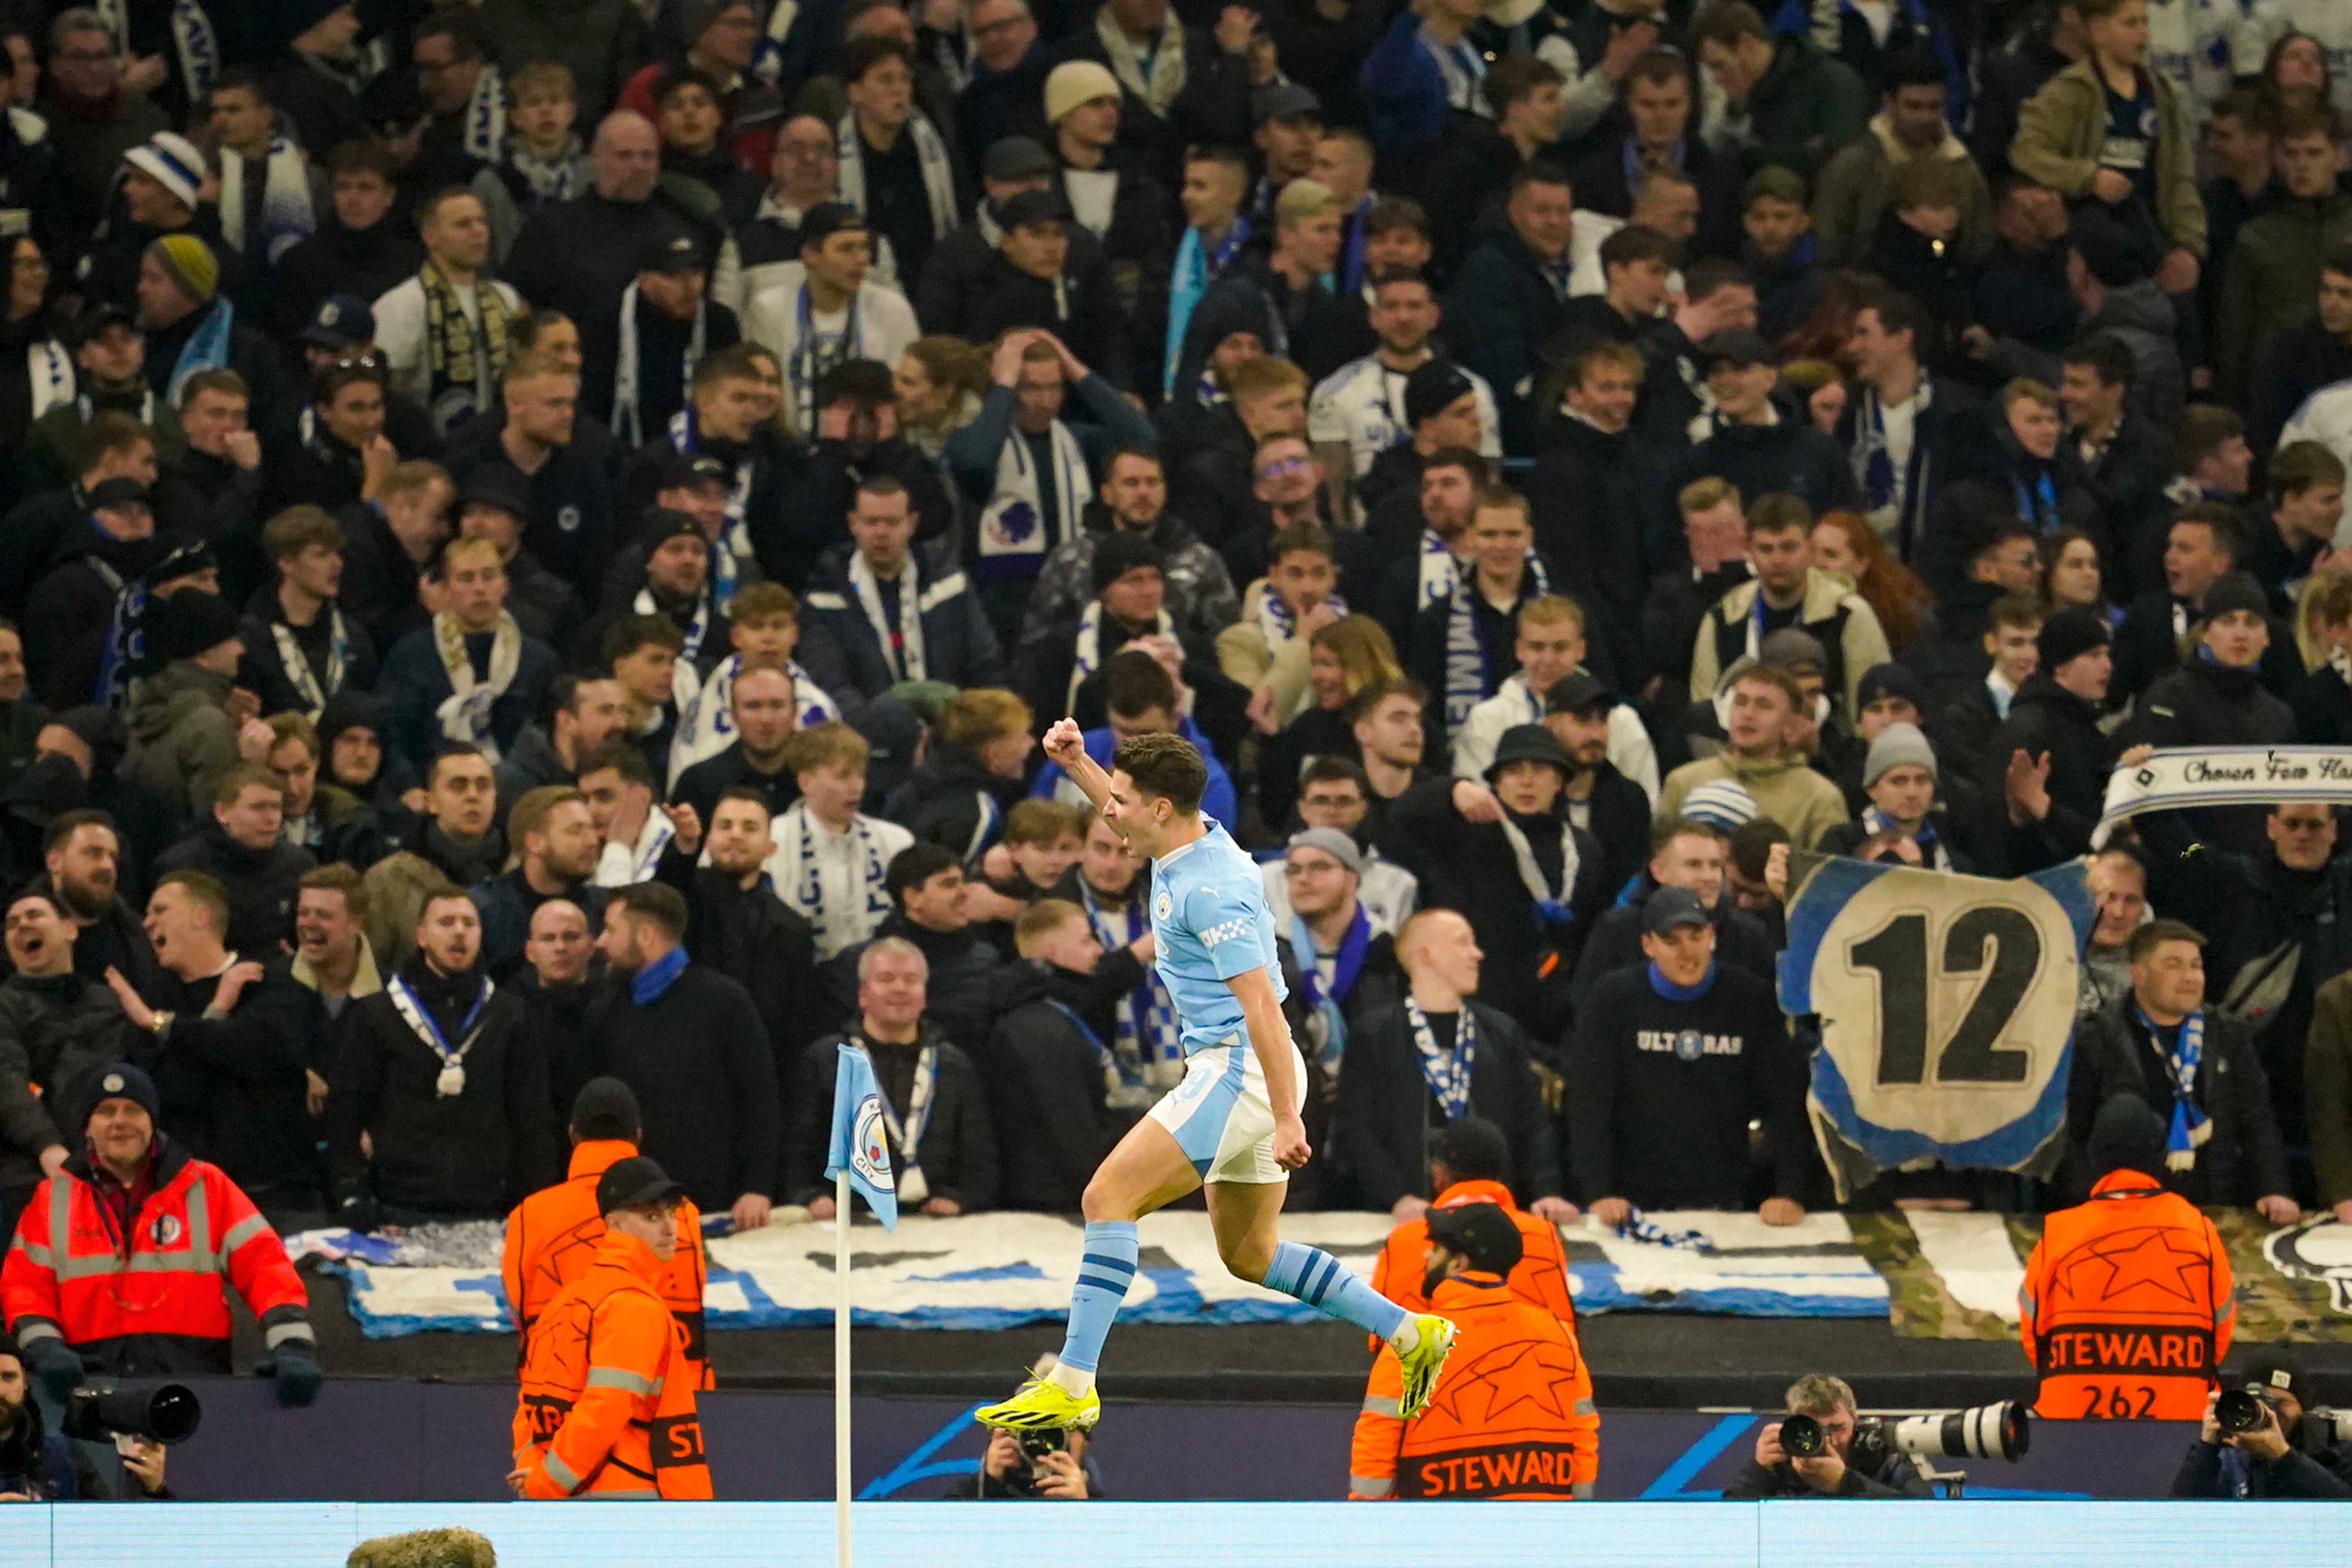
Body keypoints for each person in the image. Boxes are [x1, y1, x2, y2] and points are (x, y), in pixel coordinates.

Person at [974, 728, 1459, 1437]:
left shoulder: (1212, 890)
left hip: (1242, 1069)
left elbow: (1262, 1003)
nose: (1110, 812)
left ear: (1162, 807)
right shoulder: (1188, 836)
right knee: (1250, 1254)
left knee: (1106, 1196)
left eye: (1126, 800)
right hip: (1254, 1069)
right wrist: (1076, 763)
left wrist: (1289, 1117)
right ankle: (1410, 1331)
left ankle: (1073, 1382)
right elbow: (1120, 800)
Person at [0, 1063, 321, 1402]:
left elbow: (266, 1266)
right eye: (106, 1112)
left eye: (133, 1110)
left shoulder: (206, 1185)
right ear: (87, 1128)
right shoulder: (53, 1199)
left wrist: (292, 1345)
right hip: (88, 1388)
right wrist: (46, 1350)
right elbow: (24, 1287)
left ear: (152, 1121)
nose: (119, 1121)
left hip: (196, 1388)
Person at [1568, 886, 1810, 1221]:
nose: (1687, 952)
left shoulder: (1750, 999)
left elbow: (1784, 1100)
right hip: (1631, 1196)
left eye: (1696, 936)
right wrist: (1598, 1191)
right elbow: (1588, 1102)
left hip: (1727, 1193)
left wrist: (1789, 1191)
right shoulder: (1612, 999)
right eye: (1671, 941)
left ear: (1711, 936)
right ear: (1648, 945)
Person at [328, 883, 555, 1226]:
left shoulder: (511, 1015)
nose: (459, 932)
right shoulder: (378, 1015)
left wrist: (533, 1203)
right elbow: (346, 1111)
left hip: (488, 1209)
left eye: (469, 923)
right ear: (421, 936)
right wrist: (352, 1192)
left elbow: (532, 1117)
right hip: (396, 1208)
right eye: (446, 922)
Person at [1346, 1202, 1598, 1501]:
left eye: (1437, 1248)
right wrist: (1580, 1514)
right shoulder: (1558, 1332)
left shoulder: (1413, 1341)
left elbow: (1375, 1448)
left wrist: (1370, 1523)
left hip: (1437, 1534)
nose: (1427, 1255)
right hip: (1539, 1532)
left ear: (1458, 1264)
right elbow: (1583, 1437)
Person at [1333, 908, 1564, 1218]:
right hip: (1400, 1216)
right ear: (1425, 954)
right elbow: (1356, 1127)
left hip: (1491, 1214)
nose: (1478, 954)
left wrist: (1546, 1191)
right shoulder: (1373, 1033)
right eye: (1463, 943)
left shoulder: (1502, 1030)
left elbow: (1531, 1120)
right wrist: (1396, 1197)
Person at [509, 1153, 712, 1499]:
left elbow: (528, 1406)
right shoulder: (632, 1303)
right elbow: (605, 1407)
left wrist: (537, 1470)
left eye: (672, 1213)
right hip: (629, 1506)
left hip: (572, 1501)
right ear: (614, 1224)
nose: (669, 1228)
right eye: (651, 1216)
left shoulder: (566, 1302)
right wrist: (547, 1483)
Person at [2021, 1093, 2234, 1420]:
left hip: (2072, 1429)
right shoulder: (2200, 1231)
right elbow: (2220, 1334)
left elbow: (2033, 1335)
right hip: (2180, 1432)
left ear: (2094, 1157)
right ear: (2159, 1155)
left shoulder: (2058, 1233)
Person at [2065, 921, 2297, 1219]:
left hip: (2213, 1208)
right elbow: (2072, 1136)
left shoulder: (2228, 1034)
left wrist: (2275, 1188)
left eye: (2196, 966)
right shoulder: (2098, 1037)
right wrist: (2087, 1204)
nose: (2190, 978)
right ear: (2138, 974)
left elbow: (2257, 1119)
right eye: (2173, 966)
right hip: (2125, 1212)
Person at [1390, 726, 1607, 1033]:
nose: (1527, 781)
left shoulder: (1584, 849)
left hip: (1554, 1011)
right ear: (1495, 783)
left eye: (1540, 770)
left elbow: (1591, 929)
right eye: (1514, 771)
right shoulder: (1464, 834)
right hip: (1477, 1005)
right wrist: (1452, 790)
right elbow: (1401, 816)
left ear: (1559, 781)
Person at [589, 880, 778, 1228]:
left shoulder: (724, 1001)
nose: (600, 942)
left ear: (645, 935)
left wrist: (757, 1186)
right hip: (633, 1205)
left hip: (715, 1203)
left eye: (611, 929)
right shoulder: (608, 1005)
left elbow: (760, 1099)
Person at [503, 1077, 710, 1388]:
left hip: (558, 1397)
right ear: (638, 1137)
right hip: (670, 1401)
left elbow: (518, 1310)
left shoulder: (529, 1216)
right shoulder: (683, 1213)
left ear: (573, 1136)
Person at [790, 934, 997, 1215]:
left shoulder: (953, 1063)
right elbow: (797, 1144)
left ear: (924, 995)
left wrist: (960, 1198)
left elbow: (979, 1151)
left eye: (911, 980)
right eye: (886, 979)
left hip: (936, 1220)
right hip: (846, 1217)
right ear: (862, 994)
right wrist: (810, 1196)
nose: (900, 988)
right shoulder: (826, 1060)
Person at [799, 474, 1001, 708]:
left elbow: (986, 666)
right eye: (871, 522)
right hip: (866, 733)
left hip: (952, 728)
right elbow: (830, 683)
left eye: (892, 522)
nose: (882, 532)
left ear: (912, 524)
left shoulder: (951, 585)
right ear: (853, 523)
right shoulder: (825, 597)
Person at [1688, 494, 1891, 720]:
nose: (1778, 560)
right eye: (1766, 549)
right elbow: (1703, 717)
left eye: (1789, 548)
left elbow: (1874, 714)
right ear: (1749, 551)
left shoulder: (1850, 615)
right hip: (1740, 752)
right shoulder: (1723, 619)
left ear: (1810, 549)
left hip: (1826, 751)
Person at [376, 536, 561, 777]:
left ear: (504, 586)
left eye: (489, 576)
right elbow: (392, 732)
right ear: (446, 589)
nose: (479, 588)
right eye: (466, 578)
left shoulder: (539, 660)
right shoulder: (412, 654)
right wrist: (408, 786)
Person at [0, 888, 126, 1215]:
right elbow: (6, 1079)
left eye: (34, 915)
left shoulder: (108, 1000)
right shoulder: (6, 1005)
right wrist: (47, 1146)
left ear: (70, 929)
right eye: (11, 923)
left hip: (112, 1172)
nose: (21, 926)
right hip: (28, 1178)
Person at [1659, 662, 1851, 851]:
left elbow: (1827, 877)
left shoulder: (1819, 797)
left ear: (1791, 722)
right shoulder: (1684, 782)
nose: (1748, 714)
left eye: (1764, 706)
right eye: (1740, 702)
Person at [1691, 1, 1869, 180]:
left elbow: (1839, 163)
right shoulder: (1745, 99)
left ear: (1747, 43)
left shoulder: (1833, 84)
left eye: (1719, 66)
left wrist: (1752, 158)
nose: (1716, 77)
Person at [2172, 1353, 2352, 1498]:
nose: (2270, 1411)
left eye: (2282, 1402)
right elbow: (2181, 1514)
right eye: (2259, 1402)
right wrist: (2206, 1447)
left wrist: (2283, 1456)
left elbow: (2345, 1509)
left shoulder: (2333, 1449)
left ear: (2302, 1409)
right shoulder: (2228, 1455)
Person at [1722, 1373, 1932, 1497]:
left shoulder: (1879, 1449)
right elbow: (1728, 1530)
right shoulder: (1781, 1456)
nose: (1829, 1441)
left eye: (1837, 1427)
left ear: (1856, 1420)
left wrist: (1845, 1483)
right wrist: (1759, 1471)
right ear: (1794, 1426)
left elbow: (1926, 1516)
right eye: (1813, 1430)